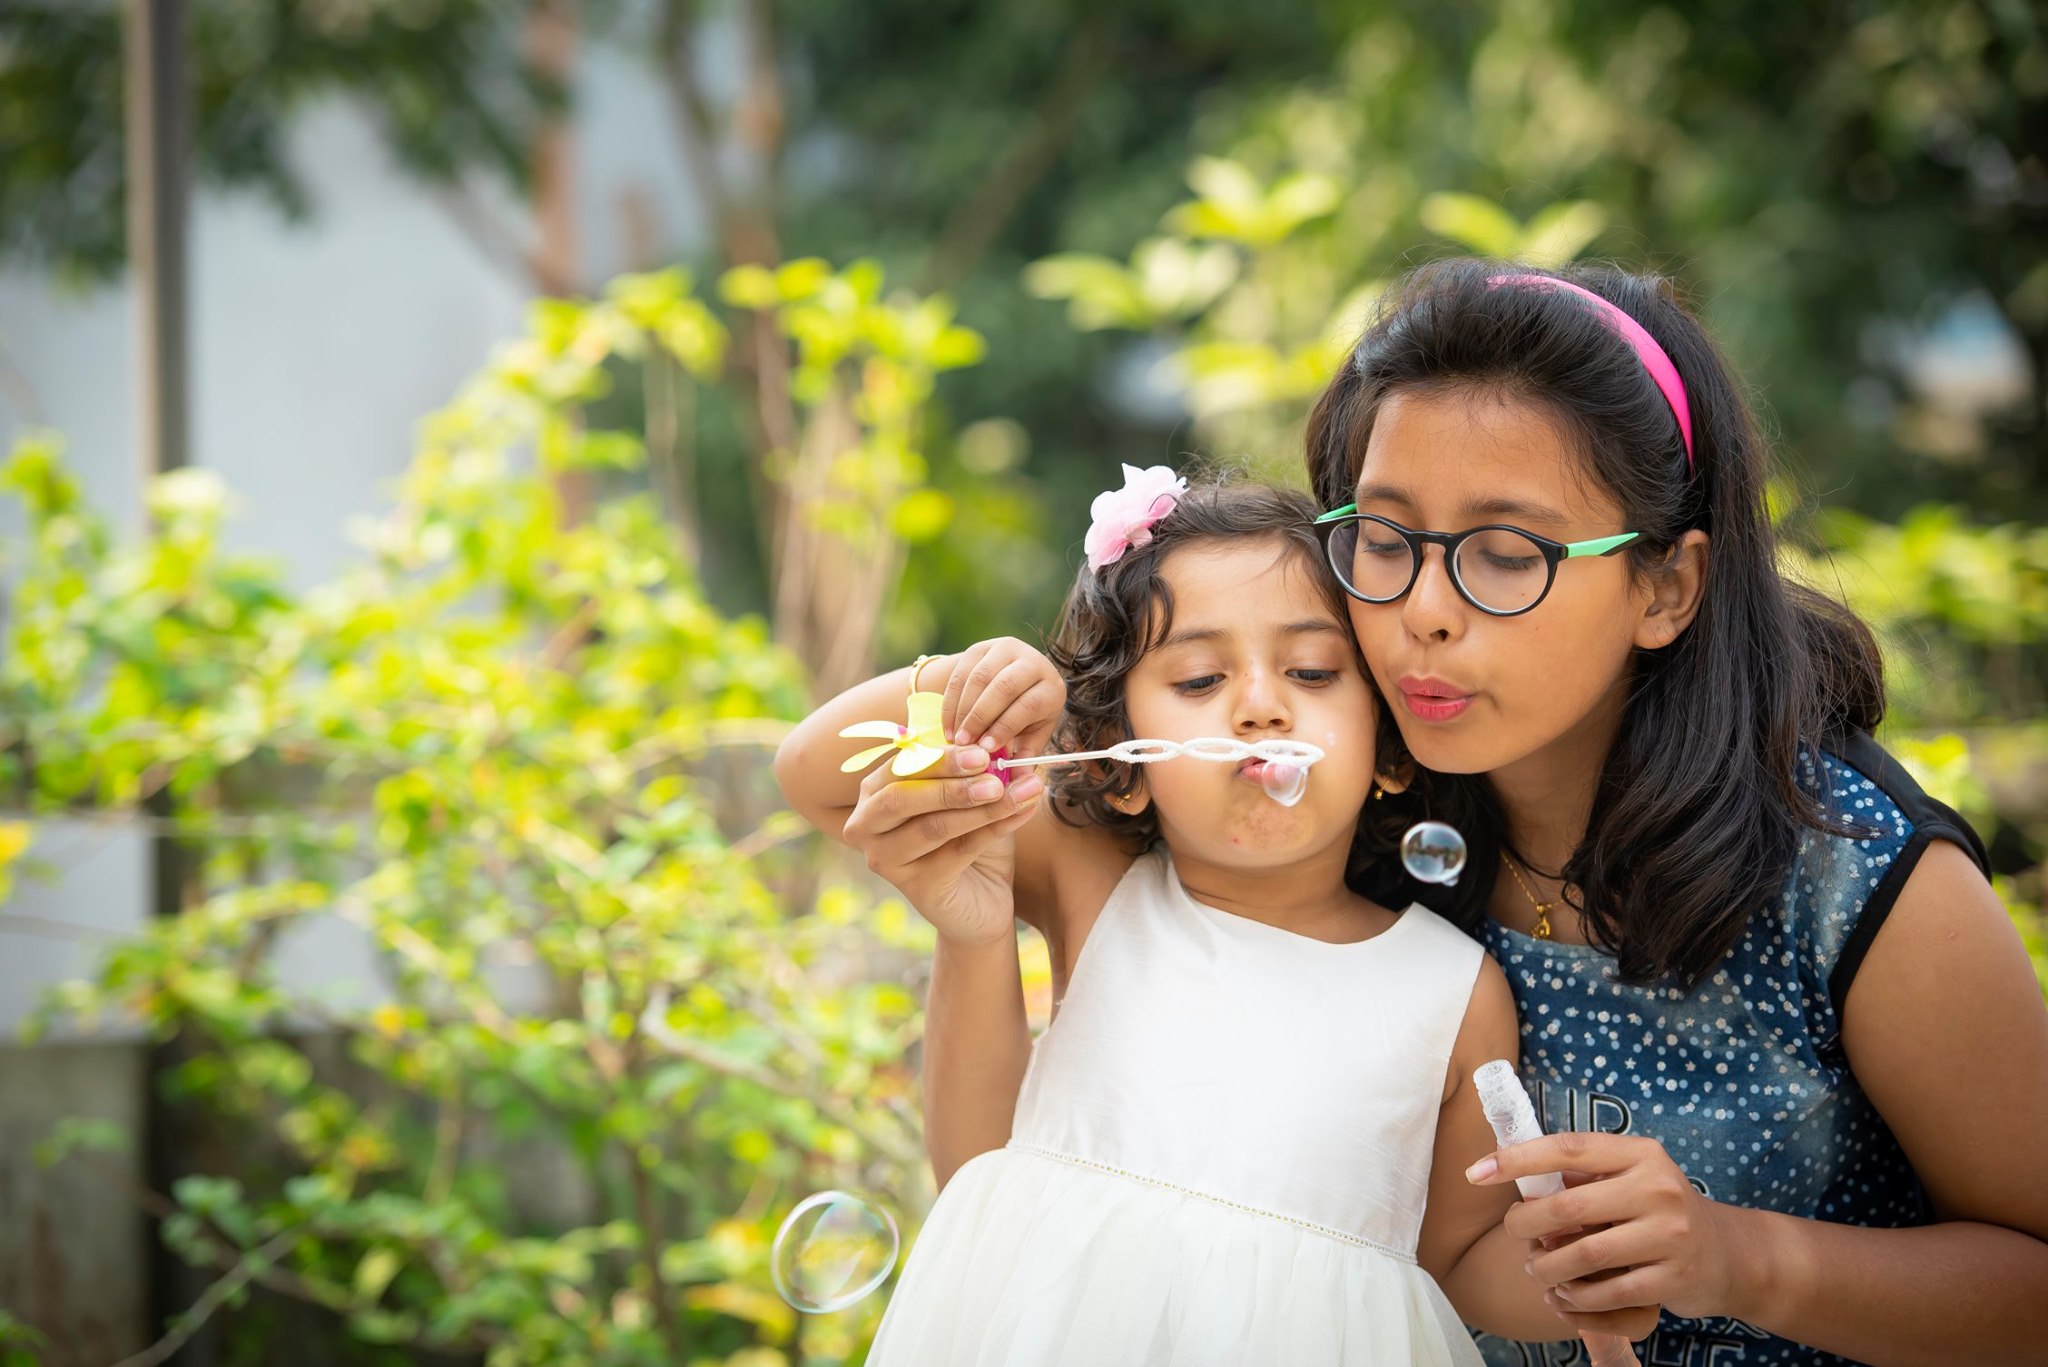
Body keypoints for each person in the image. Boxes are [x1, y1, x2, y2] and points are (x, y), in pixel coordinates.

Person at [870, 260, 2048, 1364]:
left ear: (1662, 584)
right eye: (1383, 539)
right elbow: (854, 784)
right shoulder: (1316, 812)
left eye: (1501, 553)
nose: (1423, 609)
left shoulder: (1849, 875)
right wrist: (974, 686)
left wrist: (1744, 1257)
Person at [775, 472, 1655, 1365]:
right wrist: (974, 681)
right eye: (1199, 678)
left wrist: (1577, 1272)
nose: (1261, 705)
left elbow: (1451, 1266)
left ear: (1390, 745)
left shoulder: (1455, 990)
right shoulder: (1095, 881)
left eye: (1312, 670)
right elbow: (811, 769)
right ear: (1121, 762)